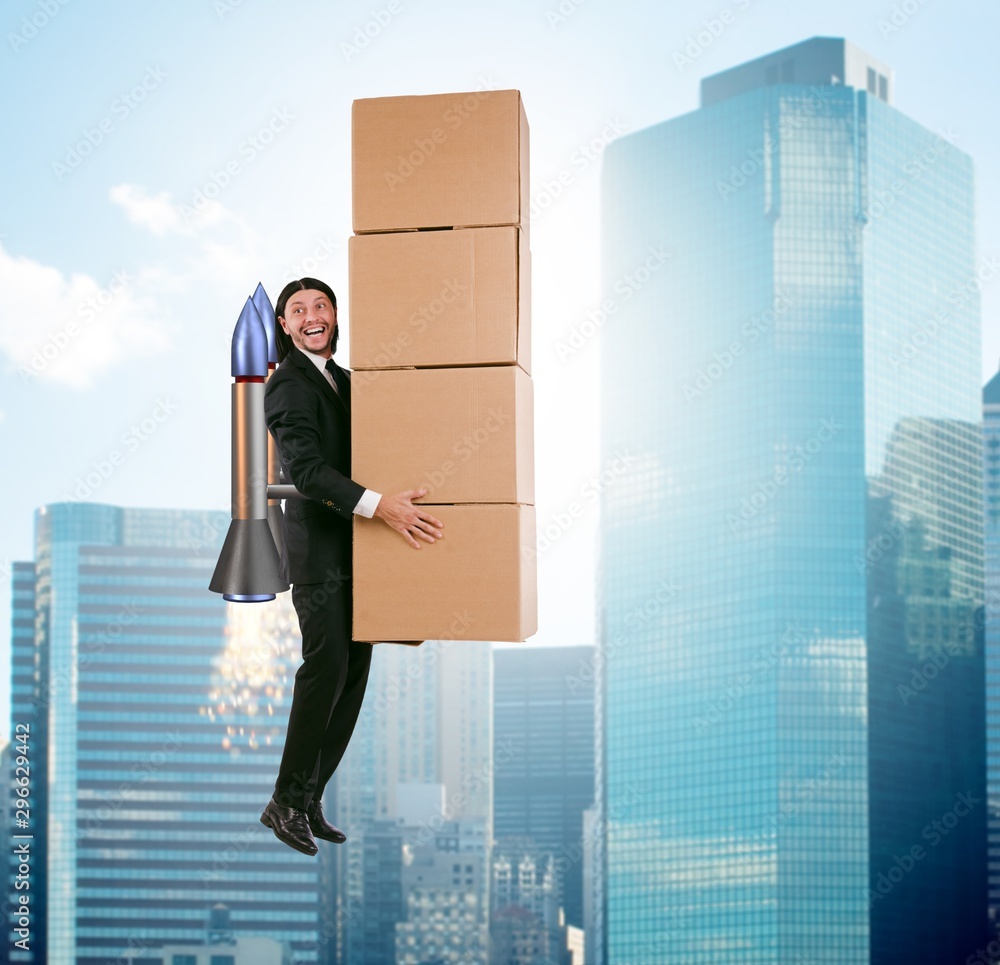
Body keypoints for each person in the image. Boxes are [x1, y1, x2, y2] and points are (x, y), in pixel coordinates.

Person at [259, 277, 444, 856]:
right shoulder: (287, 385)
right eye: (298, 310)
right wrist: (380, 506)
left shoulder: (346, 382)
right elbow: (308, 472)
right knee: (326, 667)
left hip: (364, 552)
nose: (311, 315)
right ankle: (283, 801)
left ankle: (312, 795)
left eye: (321, 305)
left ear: (335, 316)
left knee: (353, 675)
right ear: (285, 327)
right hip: (320, 551)